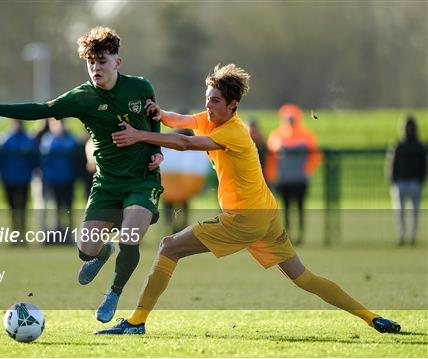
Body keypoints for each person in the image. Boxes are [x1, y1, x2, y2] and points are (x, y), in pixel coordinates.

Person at [96, 64, 400, 335]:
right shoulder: (213, 118)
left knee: (168, 247)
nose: (208, 104)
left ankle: (136, 322)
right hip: (266, 214)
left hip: (244, 218)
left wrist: (139, 135)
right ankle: (372, 318)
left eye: (215, 100)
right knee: (303, 277)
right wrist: (160, 114)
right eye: (208, 98)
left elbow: (186, 143)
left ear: (233, 105)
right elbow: (181, 122)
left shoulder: (234, 133)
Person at [0, 26, 164, 322]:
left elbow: (153, 121)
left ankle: (113, 293)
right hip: (107, 182)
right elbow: (37, 110)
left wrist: (156, 152)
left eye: (102, 61)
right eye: (91, 62)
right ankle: (100, 253)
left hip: (141, 179)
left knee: (131, 237)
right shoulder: (81, 98)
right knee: (85, 250)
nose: (96, 68)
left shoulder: (141, 87)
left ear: (117, 63)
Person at [265, 104, 322, 245]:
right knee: (286, 209)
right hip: (283, 181)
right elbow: (271, 159)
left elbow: (315, 156)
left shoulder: (307, 135)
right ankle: (288, 235)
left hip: (300, 180)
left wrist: (306, 170)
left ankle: (300, 236)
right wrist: (271, 176)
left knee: (301, 207)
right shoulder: (276, 135)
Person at [386, 115, 426, 246]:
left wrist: (421, 179)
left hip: (414, 182)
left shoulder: (419, 146)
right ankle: (401, 236)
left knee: (415, 211)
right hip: (400, 182)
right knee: (399, 211)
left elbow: (423, 165)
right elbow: (391, 164)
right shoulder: (398, 146)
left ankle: (413, 237)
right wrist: (392, 179)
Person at [160, 129, 209, 233]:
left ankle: (172, 226)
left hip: (170, 182)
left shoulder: (170, 141)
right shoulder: (191, 140)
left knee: (171, 204)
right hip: (180, 183)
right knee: (181, 204)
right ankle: (179, 226)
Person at [0, 119, 38, 235]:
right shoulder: (5, 138)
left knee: (23, 207)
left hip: (24, 178)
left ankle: (23, 232)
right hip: (8, 179)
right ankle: (14, 234)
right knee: (12, 208)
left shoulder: (28, 139)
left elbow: (34, 159)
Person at [39, 118, 78, 238]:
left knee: (68, 207)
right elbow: (46, 151)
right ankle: (57, 233)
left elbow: (71, 149)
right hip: (52, 180)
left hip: (68, 179)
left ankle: (68, 233)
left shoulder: (70, 138)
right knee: (54, 208)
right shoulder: (47, 139)